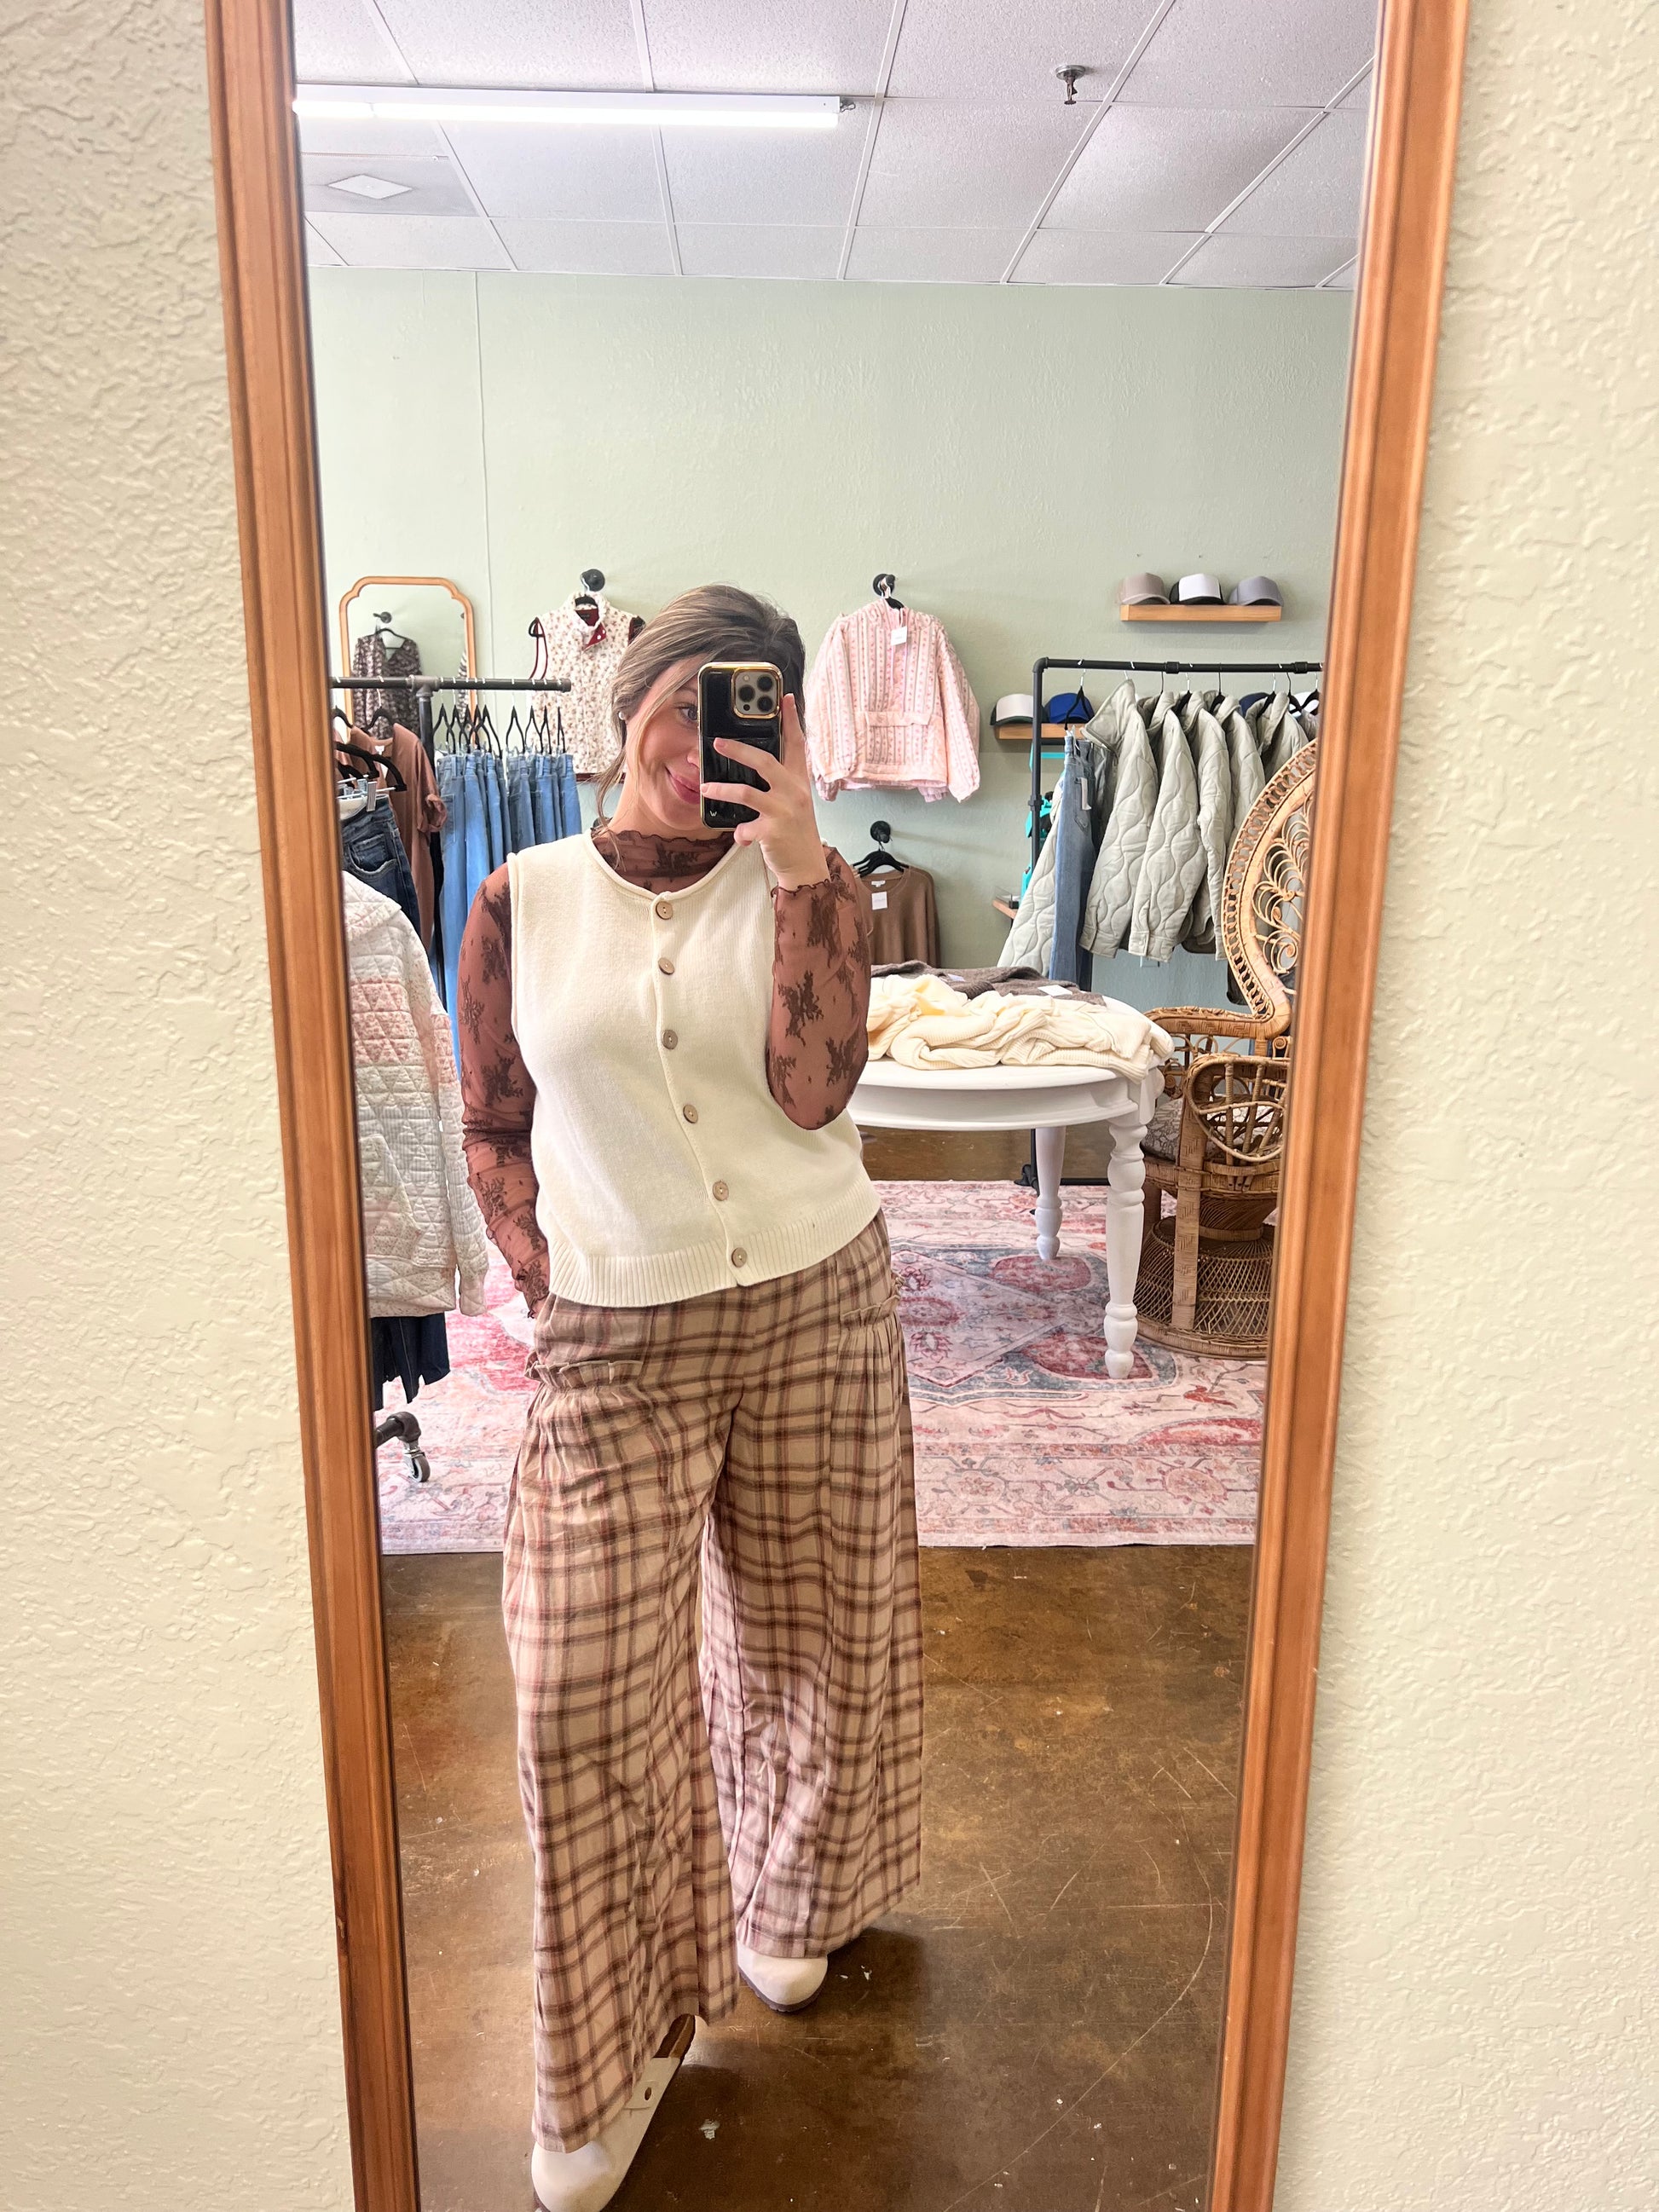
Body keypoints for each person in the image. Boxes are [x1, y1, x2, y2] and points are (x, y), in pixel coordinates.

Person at [457, 585, 923, 2212]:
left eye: (753, 706)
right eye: (688, 700)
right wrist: (544, 1276)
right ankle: (616, 2041)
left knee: (814, 1633)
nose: (703, 740)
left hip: (814, 1299)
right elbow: (493, 1119)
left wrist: (802, 866)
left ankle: (797, 1900)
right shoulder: (519, 896)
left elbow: (814, 1093)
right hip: (612, 1342)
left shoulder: (804, 879)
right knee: (576, 1693)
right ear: (631, 701)